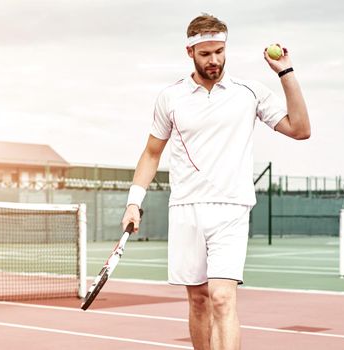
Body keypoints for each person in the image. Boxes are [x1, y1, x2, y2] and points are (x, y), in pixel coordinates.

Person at [121, 13, 310, 350]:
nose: (214, 60)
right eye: (206, 54)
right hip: (186, 209)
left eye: (220, 52)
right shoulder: (170, 98)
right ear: (190, 52)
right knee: (198, 301)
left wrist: (286, 72)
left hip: (232, 208)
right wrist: (134, 202)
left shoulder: (249, 92)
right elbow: (151, 153)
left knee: (222, 297)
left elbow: (300, 129)